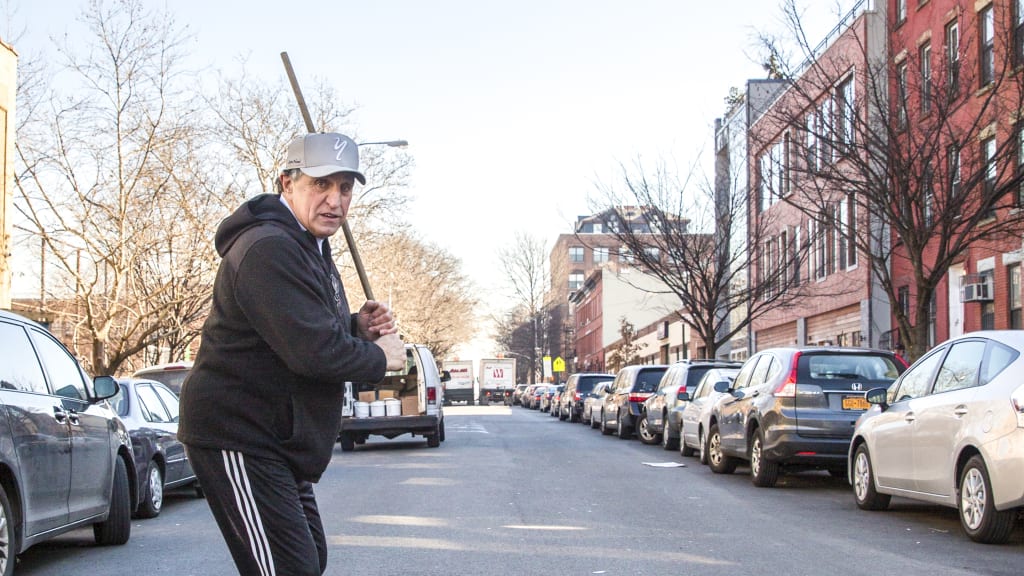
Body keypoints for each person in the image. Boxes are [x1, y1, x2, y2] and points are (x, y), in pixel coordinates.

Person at [178, 132, 406, 576]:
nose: (335, 200)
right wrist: (381, 358)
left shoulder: (308, 244)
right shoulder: (269, 247)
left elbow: (297, 328)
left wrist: (355, 328)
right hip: (240, 433)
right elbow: (313, 353)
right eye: (321, 184)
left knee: (308, 560)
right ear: (287, 183)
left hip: (279, 439)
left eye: (344, 187)